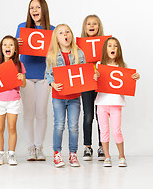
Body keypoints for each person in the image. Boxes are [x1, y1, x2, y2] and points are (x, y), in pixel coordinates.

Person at [15, 0, 54, 161]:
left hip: (44, 74)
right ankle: (30, 147)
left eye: (38, 7)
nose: (35, 10)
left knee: (41, 112)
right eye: (32, 7)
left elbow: (55, 53)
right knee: (29, 113)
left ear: (43, 9)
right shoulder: (22, 27)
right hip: (26, 74)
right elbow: (14, 51)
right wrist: (16, 43)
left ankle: (39, 147)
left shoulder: (52, 29)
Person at [45, 24, 89, 168]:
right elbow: (48, 75)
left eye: (68, 31)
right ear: (56, 38)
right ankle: (57, 153)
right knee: (59, 125)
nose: (65, 34)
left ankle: (73, 154)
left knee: (73, 126)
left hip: (74, 97)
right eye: (61, 33)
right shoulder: (52, 54)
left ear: (71, 35)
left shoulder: (79, 53)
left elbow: (83, 72)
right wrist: (52, 84)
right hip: (58, 96)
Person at [94, 37, 140, 167]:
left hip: (116, 103)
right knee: (104, 131)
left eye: (115, 46)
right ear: (105, 49)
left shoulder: (122, 66)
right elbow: (93, 82)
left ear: (118, 50)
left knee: (116, 131)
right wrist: (95, 76)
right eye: (109, 46)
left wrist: (135, 77)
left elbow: (128, 80)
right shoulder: (99, 65)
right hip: (101, 103)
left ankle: (121, 155)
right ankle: (107, 157)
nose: (112, 48)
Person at [0, 36, 26, 166]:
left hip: (13, 101)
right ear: (1, 48)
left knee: (12, 128)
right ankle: (0, 154)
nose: (7, 47)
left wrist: (22, 78)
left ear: (15, 49)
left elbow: (23, 85)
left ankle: (11, 154)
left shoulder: (19, 65)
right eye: (5, 44)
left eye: (11, 45)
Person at [80, 15, 105, 161]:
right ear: (85, 27)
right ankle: (87, 147)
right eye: (89, 24)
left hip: (101, 83)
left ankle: (102, 147)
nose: (92, 26)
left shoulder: (104, 43)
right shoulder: (80, 46)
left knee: (100, 116)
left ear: (99, 27)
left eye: (95, 24)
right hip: (87, 84)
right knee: (88, 115)